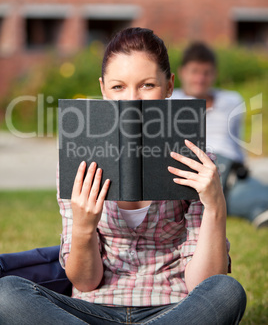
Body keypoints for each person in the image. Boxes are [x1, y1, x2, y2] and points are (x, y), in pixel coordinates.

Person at [0, 28, 246, 324]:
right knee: (7, 291)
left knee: (227, 290)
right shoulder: (78, 161)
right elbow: (86, 281)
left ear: (169, 86)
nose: (133, 101)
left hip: (172, 309)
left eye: (147, 85)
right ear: (103, 89)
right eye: (119, 87)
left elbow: (203, 283)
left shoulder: (199, 163)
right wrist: (83, 227)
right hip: (95, 310)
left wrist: (215, 206)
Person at [171, 41, 268, 228]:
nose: (200, 78)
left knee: (238, 186)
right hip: (191, 167)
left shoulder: (231, 100)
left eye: (206, 73)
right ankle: (254, 207)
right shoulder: (170, 100)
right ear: (182, 73)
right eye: (194, 72)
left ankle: (252, 206)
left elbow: (236, 141)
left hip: (229, 169)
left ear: (214, 74)